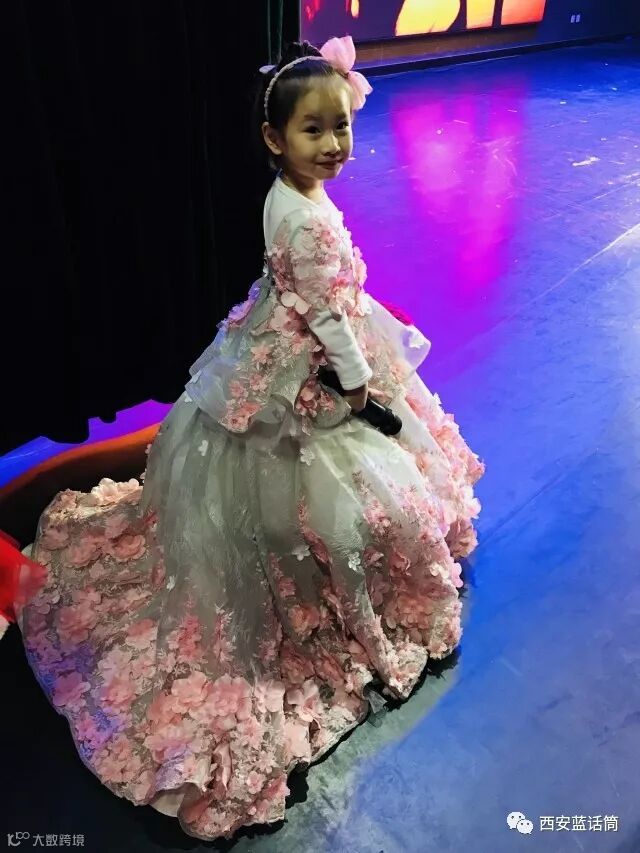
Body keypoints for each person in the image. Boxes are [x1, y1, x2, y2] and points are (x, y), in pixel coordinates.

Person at [18, 35, 484, 841]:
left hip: (280, 336)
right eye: (313, 129)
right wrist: (355, 382)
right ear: (274, 137)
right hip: (314, 363)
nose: (333, 143)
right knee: (330, 479)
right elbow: (327, 315)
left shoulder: (289, 196)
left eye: (341, 125)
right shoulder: (304, 220)